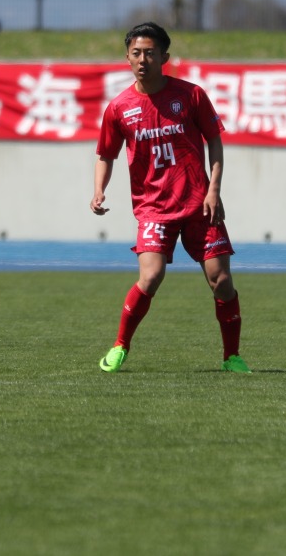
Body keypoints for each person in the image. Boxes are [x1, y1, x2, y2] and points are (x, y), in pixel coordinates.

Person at [91, 22, 249, 374]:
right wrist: (99, 189)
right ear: (127, 57)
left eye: (150, 53)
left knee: (222, 281)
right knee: (151, 276)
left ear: (164, 57)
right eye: (136, 53)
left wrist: (214, 189)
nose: (142, 59)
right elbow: (106, 154)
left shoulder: (191, 95)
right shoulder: (119, 108)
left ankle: (232, 357)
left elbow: (215, 141)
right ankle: (120, 346)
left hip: (198, 204)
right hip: (154, 208)